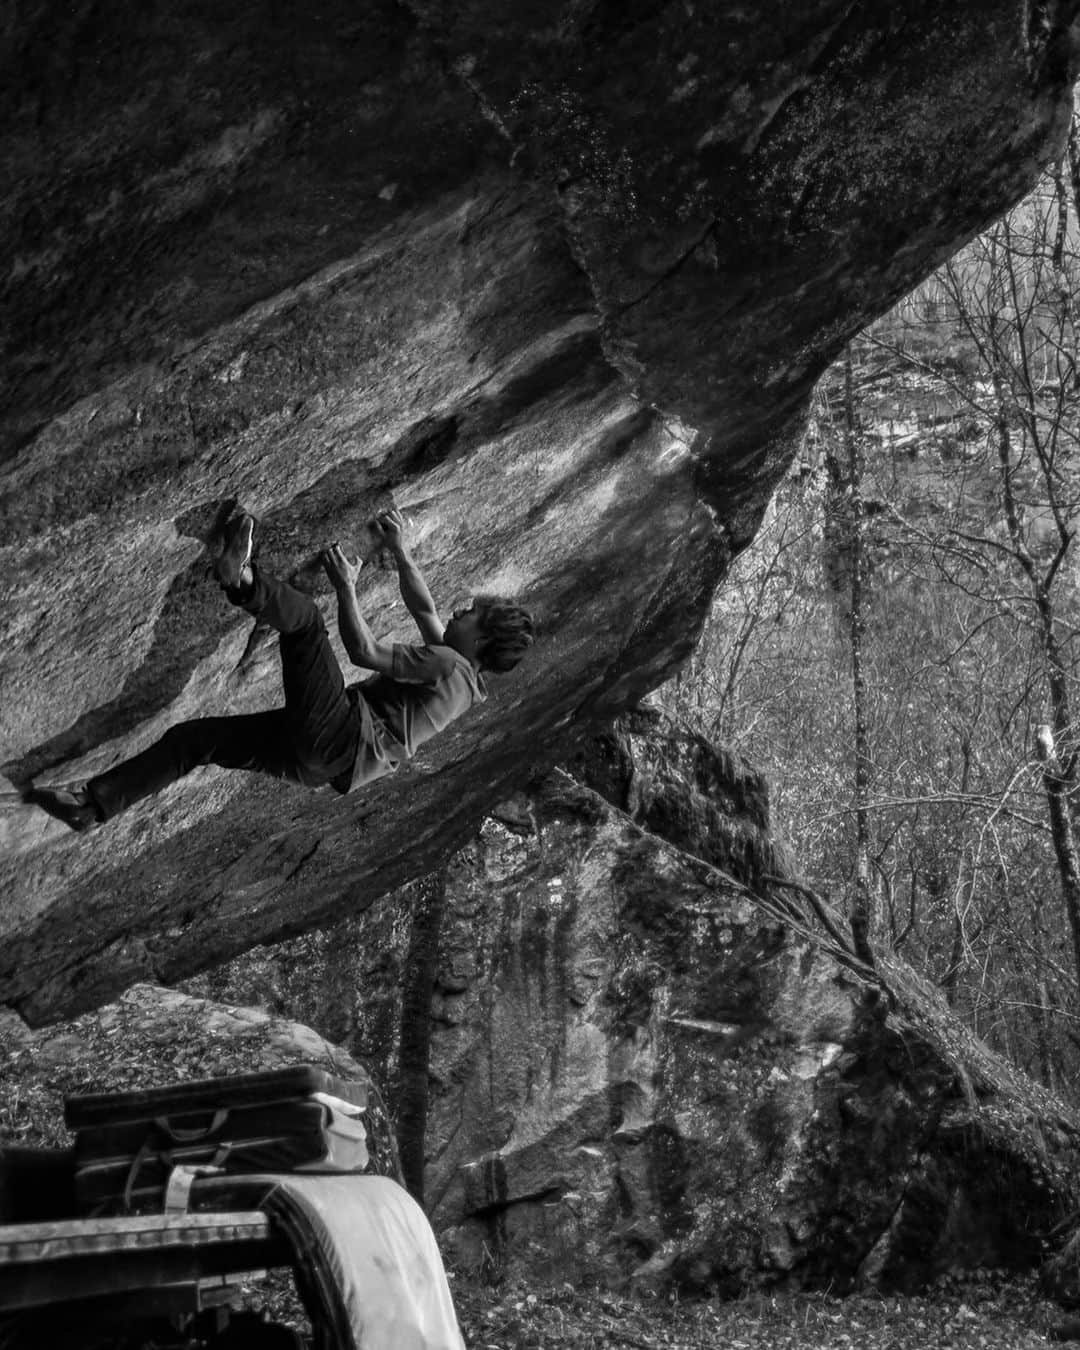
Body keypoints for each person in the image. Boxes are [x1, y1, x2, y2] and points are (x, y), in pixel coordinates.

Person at [29, 509, 534, 832]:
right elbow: (425, 612)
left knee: (307, 624)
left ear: (483, 639)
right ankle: (91, 808)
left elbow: (363, 651)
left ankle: (241, 577)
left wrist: (346, 587)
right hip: (323, 767)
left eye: (472, 615)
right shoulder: (465, 682)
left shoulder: (448, 666)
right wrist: (401, 552)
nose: (460, 611)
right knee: (194, 741)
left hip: (339, 736)